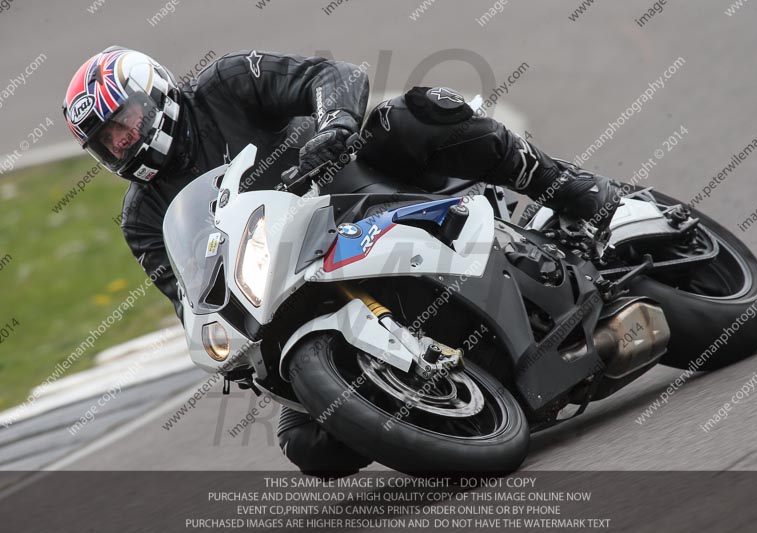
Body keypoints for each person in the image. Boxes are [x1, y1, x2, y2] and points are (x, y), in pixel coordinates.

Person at [63, 47, 619, 478]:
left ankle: (566, 188)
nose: (123, 141)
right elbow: (187, 292)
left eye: (124, 121)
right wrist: (227, 347)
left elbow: (332, 76)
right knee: (308, 442)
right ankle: (428, 406)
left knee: (415, 113)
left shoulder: (226, 82)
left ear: (155, 92)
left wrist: (332, 126)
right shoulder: (143, 217)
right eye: (106, 140)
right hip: (283, 284)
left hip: (349, 192)